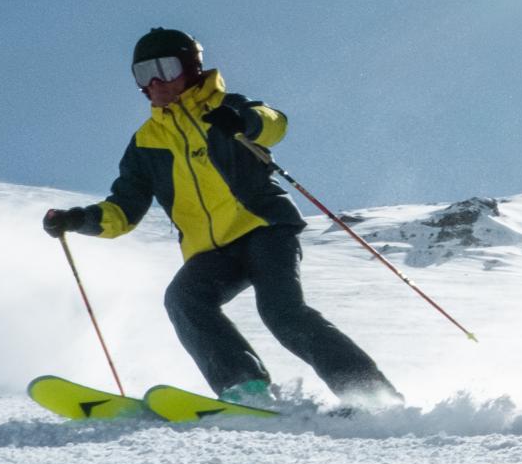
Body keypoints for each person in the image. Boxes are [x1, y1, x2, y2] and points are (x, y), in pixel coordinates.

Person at [43, 28, 402, 409]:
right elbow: (123, 210)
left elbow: (274, 122)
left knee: (282, 313)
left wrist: (243, 121)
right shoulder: (146, 143)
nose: (155, 82)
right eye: (142, 73)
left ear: (192, 68)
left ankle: (371, 395)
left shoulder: (225, 110)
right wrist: (78, 219)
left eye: (165, 68)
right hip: (213, 252)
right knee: (184, 300)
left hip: (264, 228)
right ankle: (245, 388)